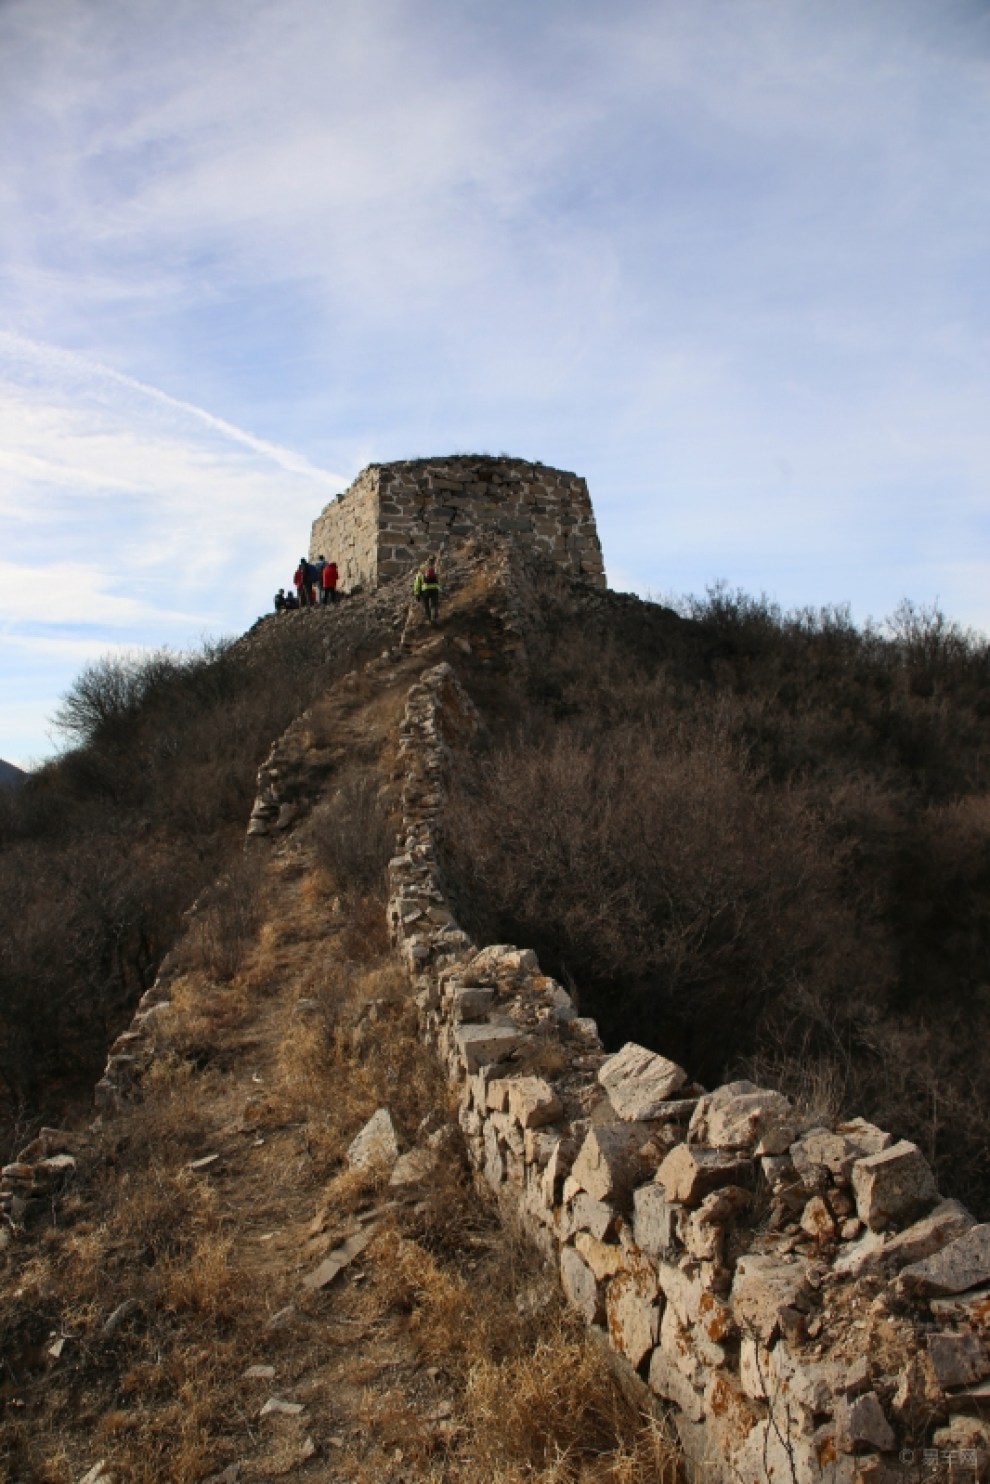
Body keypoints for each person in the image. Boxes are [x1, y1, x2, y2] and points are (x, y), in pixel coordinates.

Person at [414, 560, 441, 624]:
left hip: (425, 590)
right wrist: (438, 588)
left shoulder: (420, 573)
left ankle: (429, 620)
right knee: (434, 604)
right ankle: (434, 618)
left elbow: (417, 585)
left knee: (426, 605)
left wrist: (417, 594)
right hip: (434, 589)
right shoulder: (432, 570)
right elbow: (437, 580)